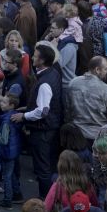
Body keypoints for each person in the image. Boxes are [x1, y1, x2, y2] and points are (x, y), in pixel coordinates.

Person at [11, 43, 62, 198]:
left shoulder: (44, 83)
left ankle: (45, 200)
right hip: (50, 126)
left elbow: (42, 111)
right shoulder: (53, 73)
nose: (32, 57)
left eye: (35, 55)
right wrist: (28, 108)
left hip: (42, 130)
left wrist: (24, 116)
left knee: (43, 168)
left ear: (42, 60)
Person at [67, 55, 107, 142]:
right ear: (97, 70)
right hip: (97, 137)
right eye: (106, 69)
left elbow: (67, 110)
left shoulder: (73, 83)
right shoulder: (106, 90)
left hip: (76, 134)